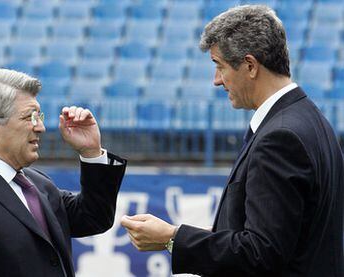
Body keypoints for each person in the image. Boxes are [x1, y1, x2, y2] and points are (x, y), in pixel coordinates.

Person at [121, 5, 343, 277]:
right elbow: (284, 237)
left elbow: (262, 253)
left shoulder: (280, 137)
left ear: (250, 66)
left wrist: (173, 238)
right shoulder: (312, 120)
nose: (216, 81)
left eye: (220, 66)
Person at [0, 68, 126, 276]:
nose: (40, 127)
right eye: (29, 117)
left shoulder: (38, 183)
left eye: (38, 116)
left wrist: (91, 152)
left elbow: (93, 217)